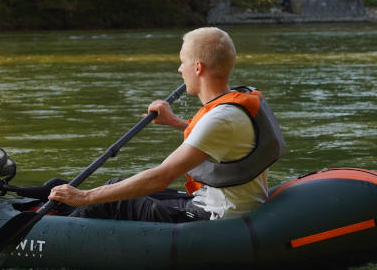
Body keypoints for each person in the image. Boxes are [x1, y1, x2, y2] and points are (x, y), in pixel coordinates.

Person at [47, 27, 284, 223]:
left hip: (216, 216)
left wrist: (84, 196)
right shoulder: (236, 104)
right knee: (115, 186)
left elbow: (160, 177)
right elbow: (223, 143)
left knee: (111, 199)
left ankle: (59, 226)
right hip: (221, 202)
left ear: (198, 68)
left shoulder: (219, 120)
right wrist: (175, 122)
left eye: (183, 62)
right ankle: (64, 208)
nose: (180, 69)